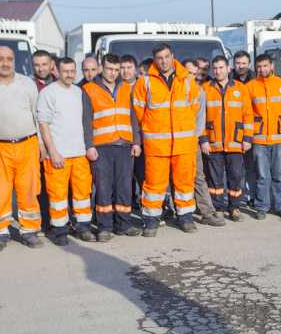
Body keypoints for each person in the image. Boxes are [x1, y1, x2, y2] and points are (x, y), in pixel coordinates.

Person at [0, 46, 45, 252]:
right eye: (1, 59)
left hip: (27, 144)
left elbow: (37, 115)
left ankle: (30, 231)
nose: (5, 63)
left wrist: (41, 144)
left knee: (29, 189)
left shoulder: (27, 83)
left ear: (14, 61)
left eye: (9, 59)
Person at [133, 43, 204, 235]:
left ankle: (186, 218)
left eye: (166, 57)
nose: (163, 61)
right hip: (157, 145)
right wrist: (153, 128)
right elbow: (139, 111)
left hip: (183, 143)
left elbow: (195, 108)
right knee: (154, 184)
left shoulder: (188, 80)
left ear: (172, 56)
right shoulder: (145, 82)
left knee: (184, 183)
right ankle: (151, 220)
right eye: (159, 58)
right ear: (155, 60)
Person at [82, 54, 143, 241]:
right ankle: (105, 227)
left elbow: (133, 118)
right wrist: (89, 145)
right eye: (109, 69)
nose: (113, 73)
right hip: (101, 147)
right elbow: (86, 121)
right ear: (102, 68)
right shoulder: (89, 89)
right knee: (103, 188)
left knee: (124, 187)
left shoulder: (127, 88)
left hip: (124, 146)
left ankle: (123, 224)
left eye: (116, 70)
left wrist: (136, 142)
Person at [37, 57, 95, 245]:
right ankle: (60, 230)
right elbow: (43, 124)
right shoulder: (48, 93)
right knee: (58, 195)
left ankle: (83, 227)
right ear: (57, 71)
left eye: (72, 71)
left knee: (82, 194)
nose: (69, 75)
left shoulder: (79, 92)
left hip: (79, 153)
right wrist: (52, 151)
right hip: (59, 154)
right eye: (65, 71)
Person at [200, 56, 253, 222]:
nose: (217, 71)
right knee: (214, 178)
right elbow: (199, 116)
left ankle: (234, 207)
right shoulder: (205, 89)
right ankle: (218, 207)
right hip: (213, 142)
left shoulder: (240, 88)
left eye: (221, 67)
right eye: (214, 68)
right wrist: (203, 139)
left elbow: (248, 115)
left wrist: (247, 138)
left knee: (236, 176)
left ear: (228, 68)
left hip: (235, 143)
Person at [246, 54, 281, 220]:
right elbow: (247, 113)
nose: (262, 69)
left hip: (280, 138)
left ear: (271, 66)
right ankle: (262, 206)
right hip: (259, 139)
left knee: (279, 175)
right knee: (262, 175)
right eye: (259, 66)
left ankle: (280, 206)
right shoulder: (250, 86)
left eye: (265, 66)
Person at [182, 58, 225, 227]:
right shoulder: (172, 90)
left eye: (194, 74)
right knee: (173, 179)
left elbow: (200, 120)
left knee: (199, 177)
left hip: (191, 142)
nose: (191, 77)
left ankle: (207, 212)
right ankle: (175, 210)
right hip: (171, 142)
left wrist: (198, 140)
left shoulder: (199, 92)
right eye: (188, 73)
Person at [231, 50, 256, 206]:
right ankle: (238, 196)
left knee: (251, 167)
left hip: (252, 130)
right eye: (238, 63)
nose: (240, 66)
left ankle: (252, 196)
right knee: (235, 169)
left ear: (249, 64)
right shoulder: (228, 79)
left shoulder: (256, 80)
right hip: (232, 132)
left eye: (244, 63)